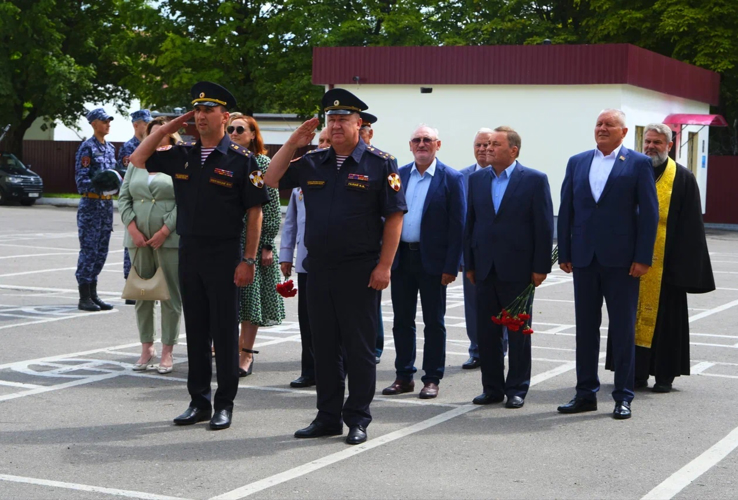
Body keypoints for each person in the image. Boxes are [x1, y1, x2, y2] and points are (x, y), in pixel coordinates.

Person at [264, 88, 406, 446]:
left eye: (344, 118)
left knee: (358, 349)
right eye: (332, 118)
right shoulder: (314, 160)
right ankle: (327, 417)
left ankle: (357, 417)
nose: (337, 124)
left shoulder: (380, 163)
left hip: (360, 269)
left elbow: (393, 218)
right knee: (324, 347)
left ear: (360, 123)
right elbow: (269, 178)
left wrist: (384, 266)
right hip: (319, 269)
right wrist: (295, 142)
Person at [129, 82, 268, 431]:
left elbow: (255, 213)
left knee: (223, 331)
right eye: (197, 110)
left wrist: (248, 260)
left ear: (226, 116)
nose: (201, 116)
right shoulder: (184, 153)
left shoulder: (242, 160)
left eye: (209, 110)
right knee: (197, 329)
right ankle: (199, 401)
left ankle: (225, 404)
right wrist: (170, 127)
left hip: (225, 253)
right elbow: (138, 158)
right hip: (190, 250)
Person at [557, 109, 658, 420]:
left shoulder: (638, 164)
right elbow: (567, 208)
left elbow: (650, 213)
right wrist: (565, 253)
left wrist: (642, 258)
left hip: (622, 262)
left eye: (608, 124)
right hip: (585, 259)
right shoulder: (577, 161)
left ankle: (623, 396)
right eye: (598, 124)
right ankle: (585, 393)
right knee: (585, 330)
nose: (601, 128)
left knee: (622, 330)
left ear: (624, 132)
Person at [605, 123, 715, 392]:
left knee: (666, 322)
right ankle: (635, 373)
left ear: (669, 145)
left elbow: (691, 227)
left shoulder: (683, 178)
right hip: (630, 262)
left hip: (667, 266)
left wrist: (683, 270)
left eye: (657, 142)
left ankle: (664, 375)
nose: (651, 147)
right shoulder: (628, 171)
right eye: (648, 142)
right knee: (628, 318)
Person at [464, 126, 554, 408]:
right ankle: (492, 388)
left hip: (519, 270)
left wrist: (541, 268)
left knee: (518, 334)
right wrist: (469, 263)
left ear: (513, 150)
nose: (487, 149)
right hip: (484, 268)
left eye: (495, 145)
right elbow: (471, 224)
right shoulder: (477, 180)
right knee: (487, 333)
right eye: (486, 144)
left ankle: (517, 388)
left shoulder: (535, 180)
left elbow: (543, 226)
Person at [382, 125, 465, 400]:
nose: (421, 144)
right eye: (416, 140)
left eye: (427, 140)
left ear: (437, 144)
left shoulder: (451, 178)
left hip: (433, 262)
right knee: (402, 321)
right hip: (401, 257)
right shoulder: (399, 175)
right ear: (410, 145)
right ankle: (404, 376)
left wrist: (451, 266)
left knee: (434, 322)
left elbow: (458, 226)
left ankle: (431, 378)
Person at [118, 117, 182, 374]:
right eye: (151, 135)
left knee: (169, 296)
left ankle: (167, 350)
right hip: (138, 240)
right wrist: (132, 228)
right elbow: (124, 197)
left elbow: (184, 201)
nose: (154, 139)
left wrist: (166, 229)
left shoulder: (178, 162)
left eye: (160, 135)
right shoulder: (137, 162)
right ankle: (147, 347)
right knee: (142, 295)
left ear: (170, 138)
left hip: (169, 239)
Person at [228, 113, 285, 376]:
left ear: (252, 134)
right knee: (225, 301)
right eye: (230, 129)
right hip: (225, 240)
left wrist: (266, 245)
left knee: (250, 301)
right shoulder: (223, 160)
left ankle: (245, 355)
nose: (235, 133)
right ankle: (224, 350)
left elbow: (271, 207)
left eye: (241, 129)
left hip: (251, 240)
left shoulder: (261, 162)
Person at [280, 129, 331, 389]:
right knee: (307, 320)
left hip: (334, 262)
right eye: (320, 140)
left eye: (328, 142)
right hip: (306, 261)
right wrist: (286, 255)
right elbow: (290, 223)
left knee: (333, 323)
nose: (322, 145)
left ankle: (332, 371)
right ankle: (309, 370)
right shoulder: (303, 177)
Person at [74, 108, 117, 312]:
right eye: (104, 121)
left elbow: (114, 175)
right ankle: (84, 296)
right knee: (89, 251)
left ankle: (93, 293)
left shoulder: (109, 148)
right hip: (91, 205)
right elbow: (81, 180)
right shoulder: (87, 148)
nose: (108, 124)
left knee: (101, 251)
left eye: (109, 121)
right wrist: (99, 184)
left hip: (106, 206)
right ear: (93, 124)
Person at [459, 128, 493, 369]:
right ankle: (476, 350)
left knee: (499, 306)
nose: (482, 149)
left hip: (501, 256)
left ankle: (498, 349)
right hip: (471, 254)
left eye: (487, 145)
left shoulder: (509, 176)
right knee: (473, 306)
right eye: (478, 145)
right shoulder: (461, 177)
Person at [359, 111, 385, 365]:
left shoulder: (380, 162)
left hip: (372, 247)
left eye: (363, 131)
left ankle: (374, 347)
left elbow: (391, 214)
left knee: (370, 305)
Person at [118, 109, 153, 303]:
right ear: (136, 125)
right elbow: (126, 178)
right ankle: (131, 286)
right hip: (134, 202)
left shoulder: (152, 145)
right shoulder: (129, 147)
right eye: (145, 124)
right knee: (132, 247)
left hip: (151, 202)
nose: (148, 128)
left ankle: (149, 286)